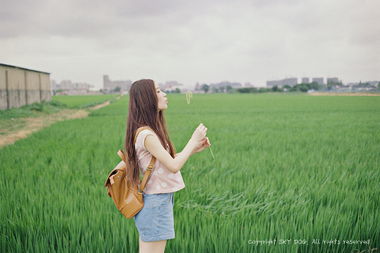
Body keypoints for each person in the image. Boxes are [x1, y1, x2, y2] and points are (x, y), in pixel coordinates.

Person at [124, 79, 211, 253]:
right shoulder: (147, 134)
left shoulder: (148, 131)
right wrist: (192, 140)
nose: (164, 94)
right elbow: (173, 166)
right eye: (157, 91)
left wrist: (194, 148)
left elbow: (165, 162)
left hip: (157, 202)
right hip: (155, 204)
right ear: (147, 99)